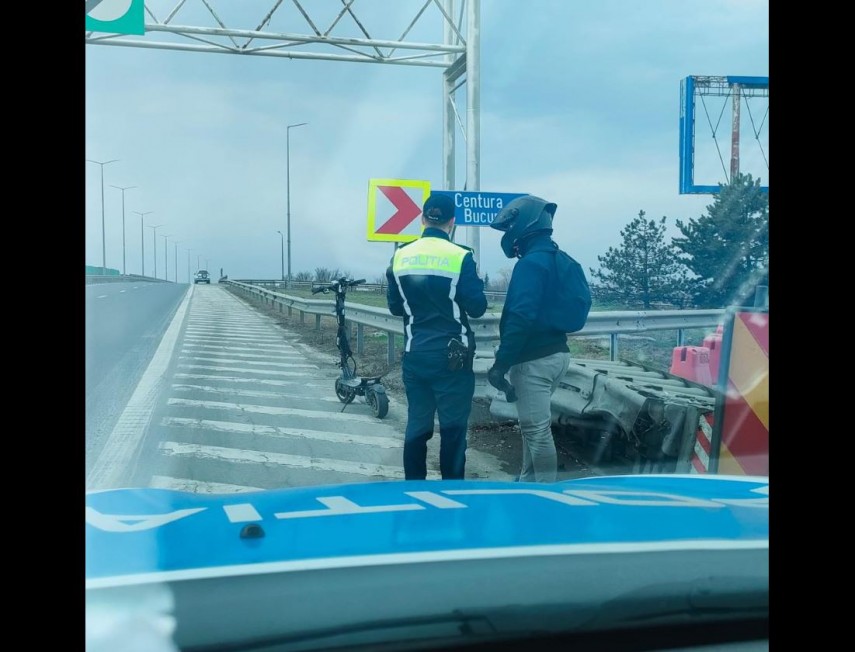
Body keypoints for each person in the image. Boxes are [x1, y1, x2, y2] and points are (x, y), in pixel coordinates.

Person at [487, 195, 590, 483]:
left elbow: (520, 318)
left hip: (533, 359)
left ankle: (545, 495)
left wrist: (500, 364)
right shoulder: (563, 260)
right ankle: (526, 483)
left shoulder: (531, 265)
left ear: (523, 225)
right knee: (532, 426)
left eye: (509, 228)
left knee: (536, 430)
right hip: (558, 355)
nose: (508, 235)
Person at [386, 192, 488, 480]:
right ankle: (451, 495)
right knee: (453, 430)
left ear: (422, 219)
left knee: (417, 426)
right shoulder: (461, 256)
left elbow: (395, 307)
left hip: (415, 353)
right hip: (452, 358)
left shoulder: (401, 255)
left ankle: (414, 490)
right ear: (452, 222)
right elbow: (478, 308)